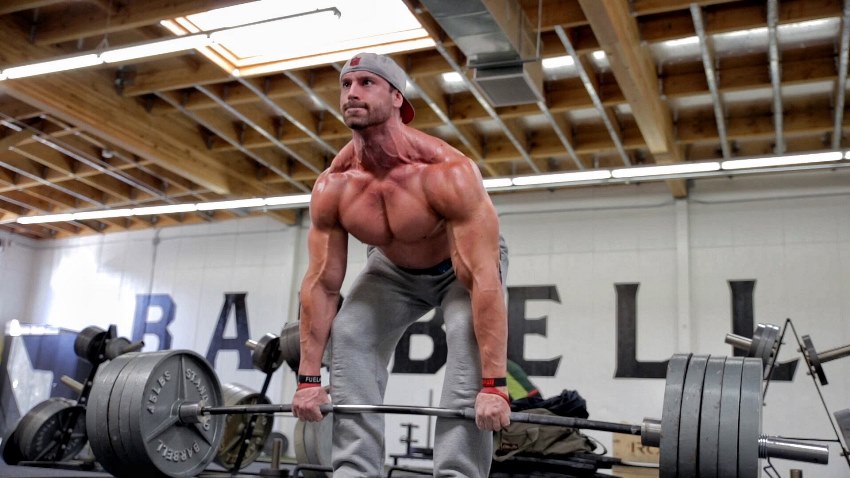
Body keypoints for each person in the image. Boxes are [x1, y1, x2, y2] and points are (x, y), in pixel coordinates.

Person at [291, 52, 510, 478]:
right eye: (346, 85)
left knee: (465, 333)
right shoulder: (333, 185)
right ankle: (355, 471)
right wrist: (308, 379)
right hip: (390, 270)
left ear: (397, 98)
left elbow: (483, 278)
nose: (352, 93)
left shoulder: (447, 172)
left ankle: (457, 472)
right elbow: (321, 284)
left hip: (458, 265)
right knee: (351, 332)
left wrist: (494, 386)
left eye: (366, 83)